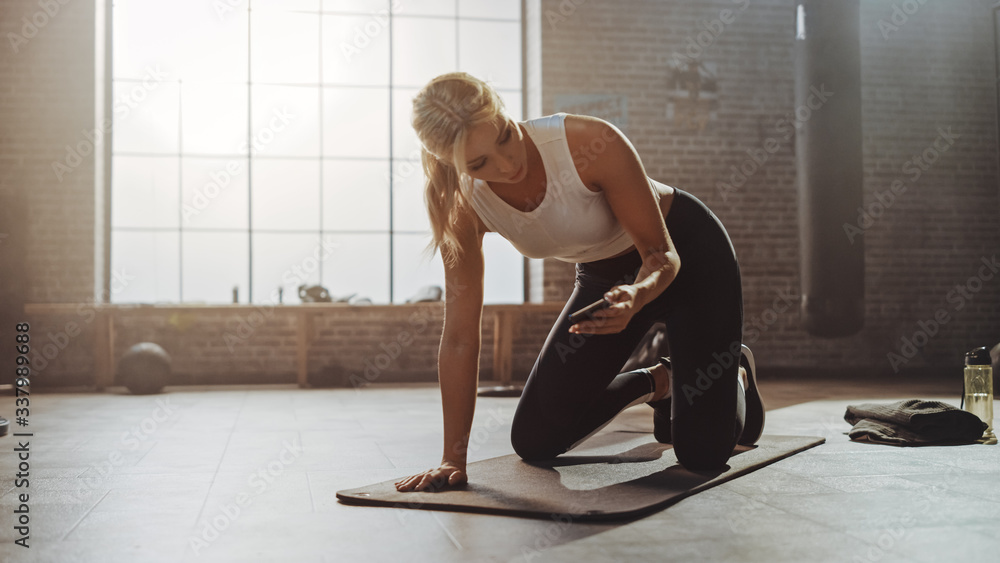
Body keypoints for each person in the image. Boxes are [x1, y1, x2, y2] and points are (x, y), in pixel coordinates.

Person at [395, 72, 764, 492]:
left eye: (503, 136)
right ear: (452, 165)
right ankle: (660, 382)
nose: (507, 164)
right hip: (606, 277)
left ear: (502, 110)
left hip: (688, 255)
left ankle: (733, 372)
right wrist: (451, 459)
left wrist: (637, 296)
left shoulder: (587, 143)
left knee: (702, 454)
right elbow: (460, 337)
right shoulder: (463, 207)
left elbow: (661, 257)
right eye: (479, 164)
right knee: (535, 439)